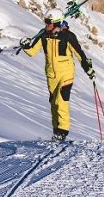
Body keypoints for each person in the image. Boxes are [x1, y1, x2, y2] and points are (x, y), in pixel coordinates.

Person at [19, 8, 96, 142]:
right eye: (45, 21)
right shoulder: (44, 35)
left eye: (49, 22)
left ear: (57, 23)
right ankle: (56, 131)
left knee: (61, 101)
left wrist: (88, 69)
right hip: (51, 75)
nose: (46, 25)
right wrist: (25, 45)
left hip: (66, 74)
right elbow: (32, 51)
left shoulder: (68, 36)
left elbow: (80, 54)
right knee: (54, 103)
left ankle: (63, 130)